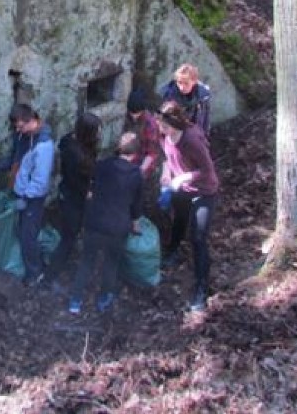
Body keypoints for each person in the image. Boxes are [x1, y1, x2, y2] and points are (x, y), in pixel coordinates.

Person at [68, 132, 144, 315]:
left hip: (95, 222)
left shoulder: (102, 166)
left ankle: (75, 301)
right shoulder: (136, 175)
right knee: (111, 263)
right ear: (135, 154)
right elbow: (136, 204)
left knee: (87, 261)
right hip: (117, 227)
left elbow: (91, 190)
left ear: (118, 149)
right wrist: (135, 223)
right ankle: (103, 299)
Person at [156, 101, 220, 312]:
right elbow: (166, 156)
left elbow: (207, 170)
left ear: (175, 124)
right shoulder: (166, 135)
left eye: (164, 127)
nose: (161, 130)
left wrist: (183, 177)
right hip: (181, 186)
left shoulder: (192, 140)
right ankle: (172, 252)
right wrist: (167, 173)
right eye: (160, 126)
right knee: (179, 220)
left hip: (203, 190)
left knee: (198, 238)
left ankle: (201, 287)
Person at [45, 112, 102, 283]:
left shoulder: (68, 140)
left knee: (69, 232)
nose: (99, 134)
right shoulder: (79, 159)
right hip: (74, 199)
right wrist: (89, 193)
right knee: (68, 239)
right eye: (96, 131)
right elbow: (80, 182)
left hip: (67, 193)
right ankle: (50, 275)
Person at [12, 105, 55, 287]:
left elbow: (40, 180)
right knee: (26, 231)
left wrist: (25, 196)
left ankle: (35, 273)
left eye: (20, 126)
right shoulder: (29, 136)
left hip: (32, 199)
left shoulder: (44, 146)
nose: (17, 130)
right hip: (25, 194)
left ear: (31, 121)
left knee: (28, 236)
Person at [159, 63, 212, 135]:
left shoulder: (203, 96)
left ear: (194, 81)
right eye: (179, 82)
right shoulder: (167, 94)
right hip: (173, 135)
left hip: (195, 134)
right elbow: (160, 120)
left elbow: (205, 120)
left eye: (186, 83)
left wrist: (204, 137)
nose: (182, 87)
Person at [0, 103, 33, 189]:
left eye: (20, 126)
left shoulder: (39, 143)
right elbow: (16, 156)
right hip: (18, 183)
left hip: (27, 187)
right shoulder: (20, 135)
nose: (17, 129)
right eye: (15, 127)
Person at [123, 89, 161, 181]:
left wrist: (140, 171)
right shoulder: (129, 117)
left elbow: (152, 153)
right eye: (131, 112)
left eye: (136, 113)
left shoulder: (150, 125)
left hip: (144, 165)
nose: (133, 116)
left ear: (142, 110)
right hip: (130, 161)